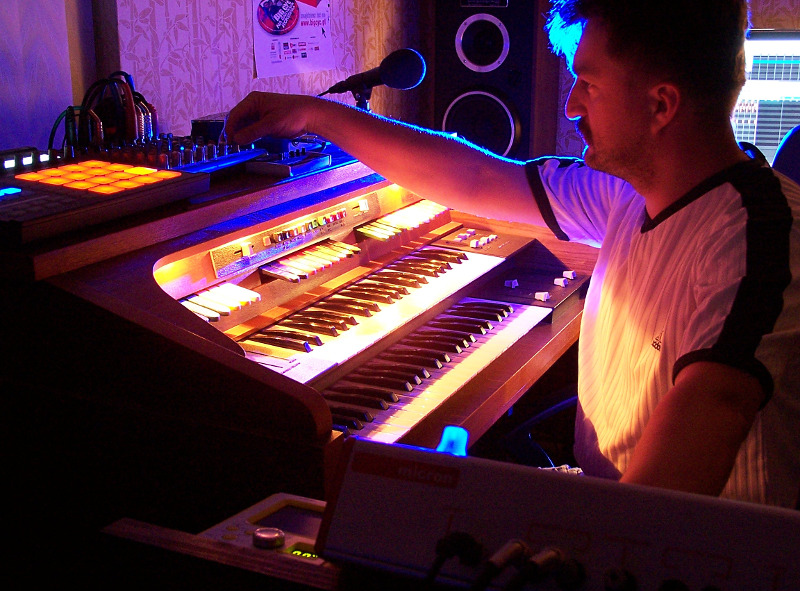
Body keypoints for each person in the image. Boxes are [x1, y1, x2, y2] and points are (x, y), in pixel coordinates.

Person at [225, 0, 800, 508]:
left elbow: (673, 487)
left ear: (662, 105)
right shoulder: (632, 191)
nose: (572, 106)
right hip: (611, 506)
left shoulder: (756, 238)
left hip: (699, 557)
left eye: (589, 84)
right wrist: (318, 115)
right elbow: (475, 177)